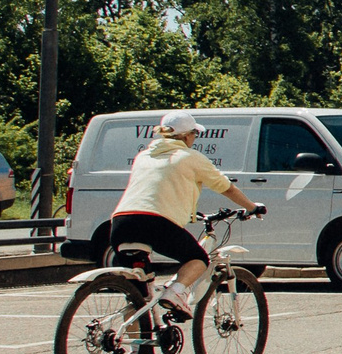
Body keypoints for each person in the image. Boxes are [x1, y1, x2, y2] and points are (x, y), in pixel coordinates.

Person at [110, 110, 265, 320]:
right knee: (198, 258)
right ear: (186, 136)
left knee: (138, 297)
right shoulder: (191, 157)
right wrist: (252, 207)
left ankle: (139, 350)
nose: (194, 139)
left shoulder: (143, 156)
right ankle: (175, 293)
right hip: (154, 222)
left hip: (121, 222)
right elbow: (226, 187)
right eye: (194, 134)